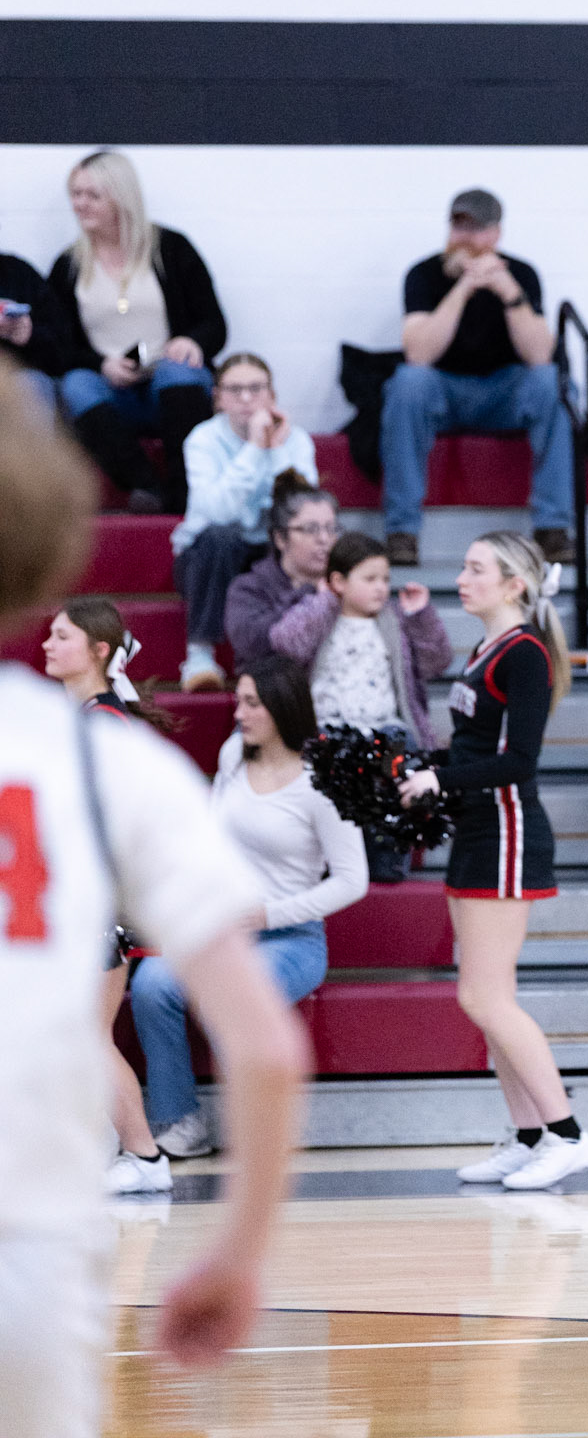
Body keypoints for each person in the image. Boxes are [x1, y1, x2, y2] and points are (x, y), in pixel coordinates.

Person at [0, 355, 307, 1436]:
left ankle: (137, 1151)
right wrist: (237, 1254)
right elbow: (265, 1049)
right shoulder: (107, 761)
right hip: (31, 1247)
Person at [399, 533, 588, 1189]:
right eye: (463, 565)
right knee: (490, 1000)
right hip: (476, 831)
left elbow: (518, 762)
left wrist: (439, 780)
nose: (463, 578)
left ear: (514, 584)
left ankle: (568, 1135)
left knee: (483, 997)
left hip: (508, 834)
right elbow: (473, 749)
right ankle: (528, 1135)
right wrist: (420, 768)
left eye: (475, 568)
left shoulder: (525, 654)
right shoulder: (484, 649)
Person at [130, 656, 363, 1161]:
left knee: (232, 1002)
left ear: (283, 708)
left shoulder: (322, 783)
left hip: (291, 940)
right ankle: (180, 1121)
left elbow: (353, 880)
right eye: (239, 700)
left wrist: (269, 914)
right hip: (221, 930)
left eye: (251, 703)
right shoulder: (234, 753)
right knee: (151, 986)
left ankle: (261, 1136)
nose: (238, 713)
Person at [42, 596, 179, 1196]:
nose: (47, 644)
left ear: (99, 651)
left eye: (62, 636)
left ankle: (144, 1157)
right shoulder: (81, 718)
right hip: (81, 900)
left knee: (88, 1036)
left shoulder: (104, 722)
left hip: (100, 905)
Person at [380, 188, 574, 568]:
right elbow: (419, 354)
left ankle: (553, 528)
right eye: (459, 227)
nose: (466, 238)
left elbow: (540, 355)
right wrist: (463, 288)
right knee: (407, 383)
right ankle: (402, 531)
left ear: (496, 234)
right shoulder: (424, 274)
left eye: (477, 229)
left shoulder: (521, 274)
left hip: (505, 393)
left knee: (550, 383)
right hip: (443, 392)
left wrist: (509, 292)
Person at [49, 149, 228, 513]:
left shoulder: (171, 249)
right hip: (113, 393)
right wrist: (101, 364)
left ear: (121, 197)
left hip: (171, 388)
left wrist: (191, 341)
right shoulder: (68, 264)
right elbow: (59, 345)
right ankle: (146, 487)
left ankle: (184, 492)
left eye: (92, 195)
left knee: (178, 370)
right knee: (76, 385)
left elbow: (215, 324)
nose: (79, 204)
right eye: (75, 193)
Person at [172, 352, 318, 693]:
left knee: (300, 539)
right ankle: (199, 656)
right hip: (206, 558)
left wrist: (276, 450)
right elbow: (217, 513)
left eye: (256, 388)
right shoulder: (203, 439)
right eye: (235, 390)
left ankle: (284, 658)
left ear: (272, 395)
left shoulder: (296, 441)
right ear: (218, 398)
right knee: (219, 536)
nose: (247, 398)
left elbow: (303, 512)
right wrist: (254, 447)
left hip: (267, 552)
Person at [268, 530, 453, 754]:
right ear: (339, 581)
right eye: (370, 579)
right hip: (327, 729)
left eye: (385, 579)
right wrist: (326, 601)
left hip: (386, 728)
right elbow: (286, 643)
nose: (381, 587)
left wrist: (420, 617)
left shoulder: (395, 621)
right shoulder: (319, 616)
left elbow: (437, 663)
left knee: (405, 746)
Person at [224, 471, 339, 667]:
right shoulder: (249, 588)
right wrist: (310, 596)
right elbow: (252, 644)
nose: (324, 539)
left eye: (331, 528)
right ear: (280, 538)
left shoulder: (346, 583)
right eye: (311, 529)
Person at [0, 239, 61, 410]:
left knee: (32, 385)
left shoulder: (18, 273)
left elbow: (62, 346)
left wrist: (30, 335)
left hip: (19, 376)